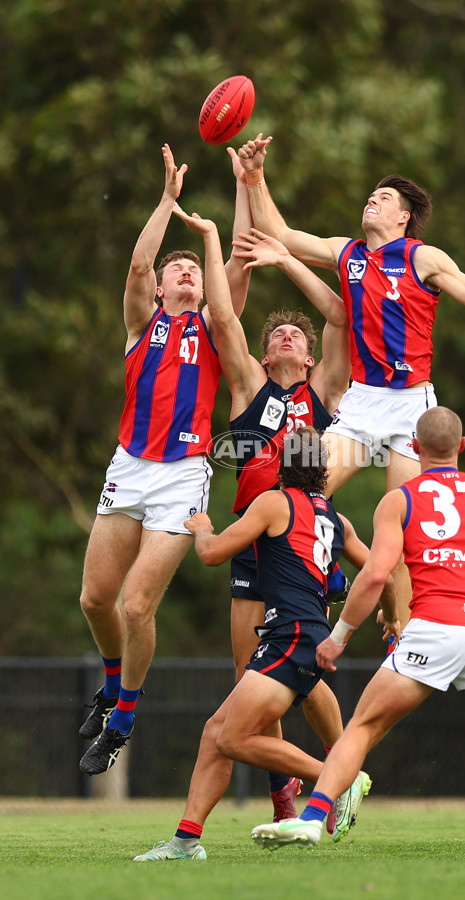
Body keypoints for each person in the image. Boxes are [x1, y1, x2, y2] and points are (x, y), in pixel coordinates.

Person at [251, 407, 465, 863]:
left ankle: (311, 820)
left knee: (362, 729)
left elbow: (373, 576)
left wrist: (340, 635)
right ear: (461, 447)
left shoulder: (400, 500)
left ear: (416, 448)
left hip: (436, 630)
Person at [237, 135, 465, 625]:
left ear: (403, 217)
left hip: (411, 406)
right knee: (296, 490)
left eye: (384, 198)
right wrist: (256, 175)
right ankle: (326, 583)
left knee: (406, 526)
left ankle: (402, 632)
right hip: (362, 403)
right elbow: (278, 229)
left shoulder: (422, 257)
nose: (373, 199)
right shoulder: (348, 253)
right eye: (371, 195)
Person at [133, 427, 395, 861]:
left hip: (290, 637)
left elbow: (213, 553)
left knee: (233, 740)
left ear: (281, 465)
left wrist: (201, 528)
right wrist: (392, 612)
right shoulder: (335, 518)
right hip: (303, 635)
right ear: (323, 470)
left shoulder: (274, 502)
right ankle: (185, 841)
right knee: (215, 732)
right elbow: (379, 570)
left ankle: (339, 778)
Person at [166, 211, 352, 823]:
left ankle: (340, 769)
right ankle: (283, 795)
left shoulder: (324, 390)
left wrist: (288, 259)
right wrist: (227, 241)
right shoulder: (249, 387)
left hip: (301, 538)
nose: (286, 340)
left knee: (304, 663)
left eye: (293, 336)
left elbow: (339, 318)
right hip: (251, 532)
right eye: (276, 336)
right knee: (252, 669)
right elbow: (223, 318)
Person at [78, 144, 252, 775]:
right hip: (128, 467)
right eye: (173, 271)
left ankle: (123, 716)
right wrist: (168, 202)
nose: (183, 274)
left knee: (135, 606)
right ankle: (111, 682)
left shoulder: (213, 326)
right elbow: (138, 262)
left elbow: (235, 264)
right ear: (157, 287)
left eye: (192, 272)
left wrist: (238, 190)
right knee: (95, 600)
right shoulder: (140, 325)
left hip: (183, 475)